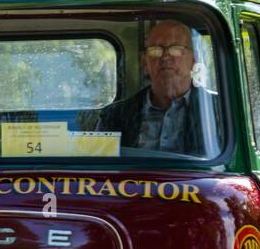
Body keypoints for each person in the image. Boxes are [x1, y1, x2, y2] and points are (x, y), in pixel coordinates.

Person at [83, 19, 223, 156]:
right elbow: (100, 165)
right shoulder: (115, 115)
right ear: (145, 61)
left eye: (176, 49)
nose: (166, 57)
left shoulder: (218, 112)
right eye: (155, 50)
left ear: (194, 59)